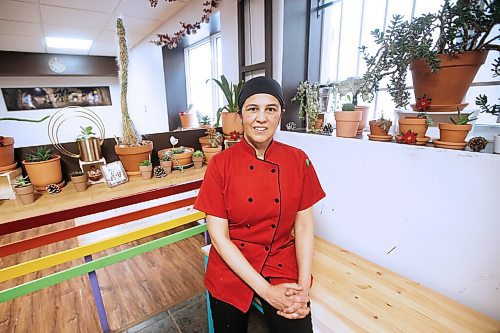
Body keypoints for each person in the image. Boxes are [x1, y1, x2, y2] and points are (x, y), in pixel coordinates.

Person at [194, 76, 326, 333]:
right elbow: (219, 238)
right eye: (252, 109)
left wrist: (302, 291)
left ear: (280, 115)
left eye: (271, 109)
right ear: (240, 116)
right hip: (232, 264)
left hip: (280, 260)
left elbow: (304, 227)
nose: (261, 118)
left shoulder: (299, 160)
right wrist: (267, 292)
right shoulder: (220, 165)